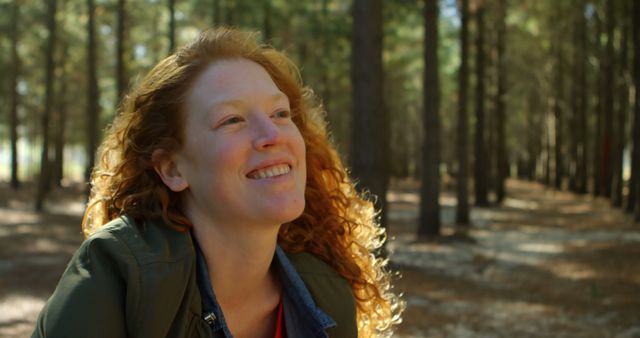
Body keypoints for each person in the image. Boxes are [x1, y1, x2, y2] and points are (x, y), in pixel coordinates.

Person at [32, 27, 402, 338]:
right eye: (232, 120)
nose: (271, 133)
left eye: (280, 113)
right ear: (173, 169)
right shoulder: (118, 279)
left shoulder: (328, 293)